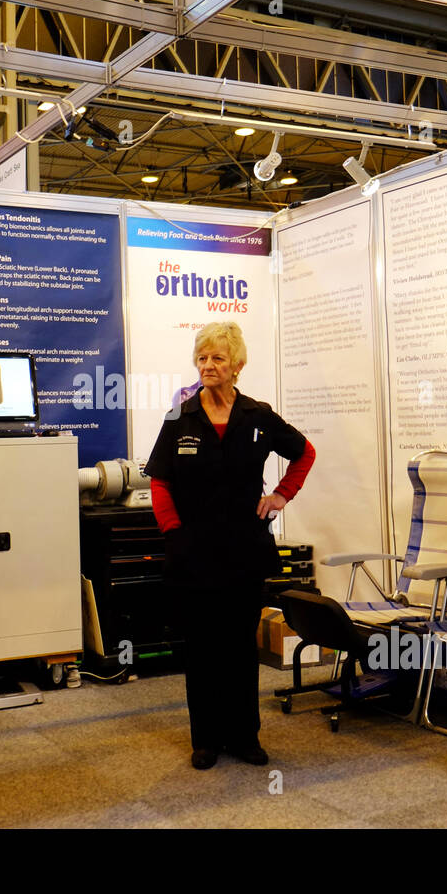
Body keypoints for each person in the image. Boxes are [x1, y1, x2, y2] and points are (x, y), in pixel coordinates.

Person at [147, 322, 315, 770]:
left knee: (241, 646)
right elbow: (159, 482)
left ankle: (244, 736)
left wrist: (281, 496)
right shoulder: (179, 417)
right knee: (202, 647)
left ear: (237, 365)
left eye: (217, 358)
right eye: (202, 357)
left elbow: (305, 452)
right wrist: (173, 533)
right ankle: (205, 739)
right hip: (194, 552)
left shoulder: (258, 416)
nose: (208, 365)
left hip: (244, 549)